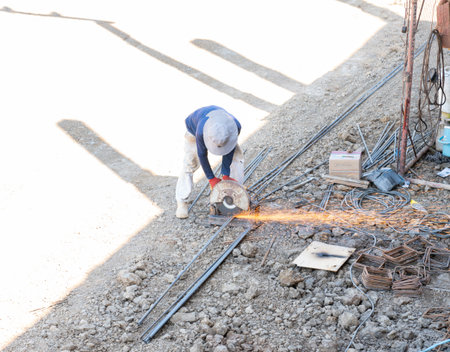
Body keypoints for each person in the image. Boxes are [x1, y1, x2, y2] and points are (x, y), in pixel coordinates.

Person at [175, 106, 244, 219]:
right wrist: (211, 178)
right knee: (190, 161)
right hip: (194, 128)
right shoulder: (200, 132)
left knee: (237, 156)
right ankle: (181, 202)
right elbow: (202, 155)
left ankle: (235, 195)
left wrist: (225, 174)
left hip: (221, 127)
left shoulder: (235, 126)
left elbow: (229, 148)